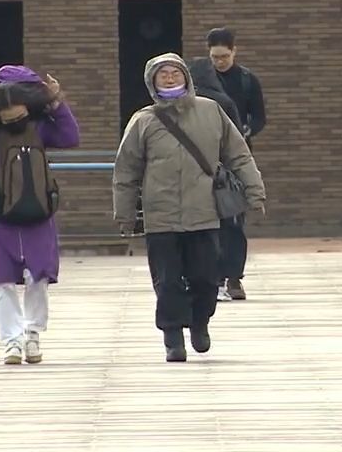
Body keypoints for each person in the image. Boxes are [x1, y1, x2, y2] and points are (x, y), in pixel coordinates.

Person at [113, 52, 265, 362]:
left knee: (206, 277)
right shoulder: (143, 120)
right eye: (162, 74)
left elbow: (239, 155)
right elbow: (125, 170)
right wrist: (126, 213)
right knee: (167, 280)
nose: (169, 78)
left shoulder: (211, 112)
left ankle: (200, 321)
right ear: (152, 82)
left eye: (175, 72)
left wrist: (254, 190)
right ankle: (172, 336)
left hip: (203, 212)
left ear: (187, 77)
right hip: (161, 215)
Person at [0, 64, 80, 365]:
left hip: (33, 210)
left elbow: (70, 136)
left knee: (38, 276)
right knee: (1, 280)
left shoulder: (40, 127)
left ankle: (32, 334)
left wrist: (55, 103)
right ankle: (12, 341)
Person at [206, 27, 266, 300]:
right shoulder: (202, 81)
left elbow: (259, 116)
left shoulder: (246, 80)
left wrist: (246, 131)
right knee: (211, 221)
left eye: (224, 56)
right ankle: (214, 276)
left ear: (234, 52)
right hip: (206, 156)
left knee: (234, 219)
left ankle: (233, 277)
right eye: (215, 57)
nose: (219, 62)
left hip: (237, 157)